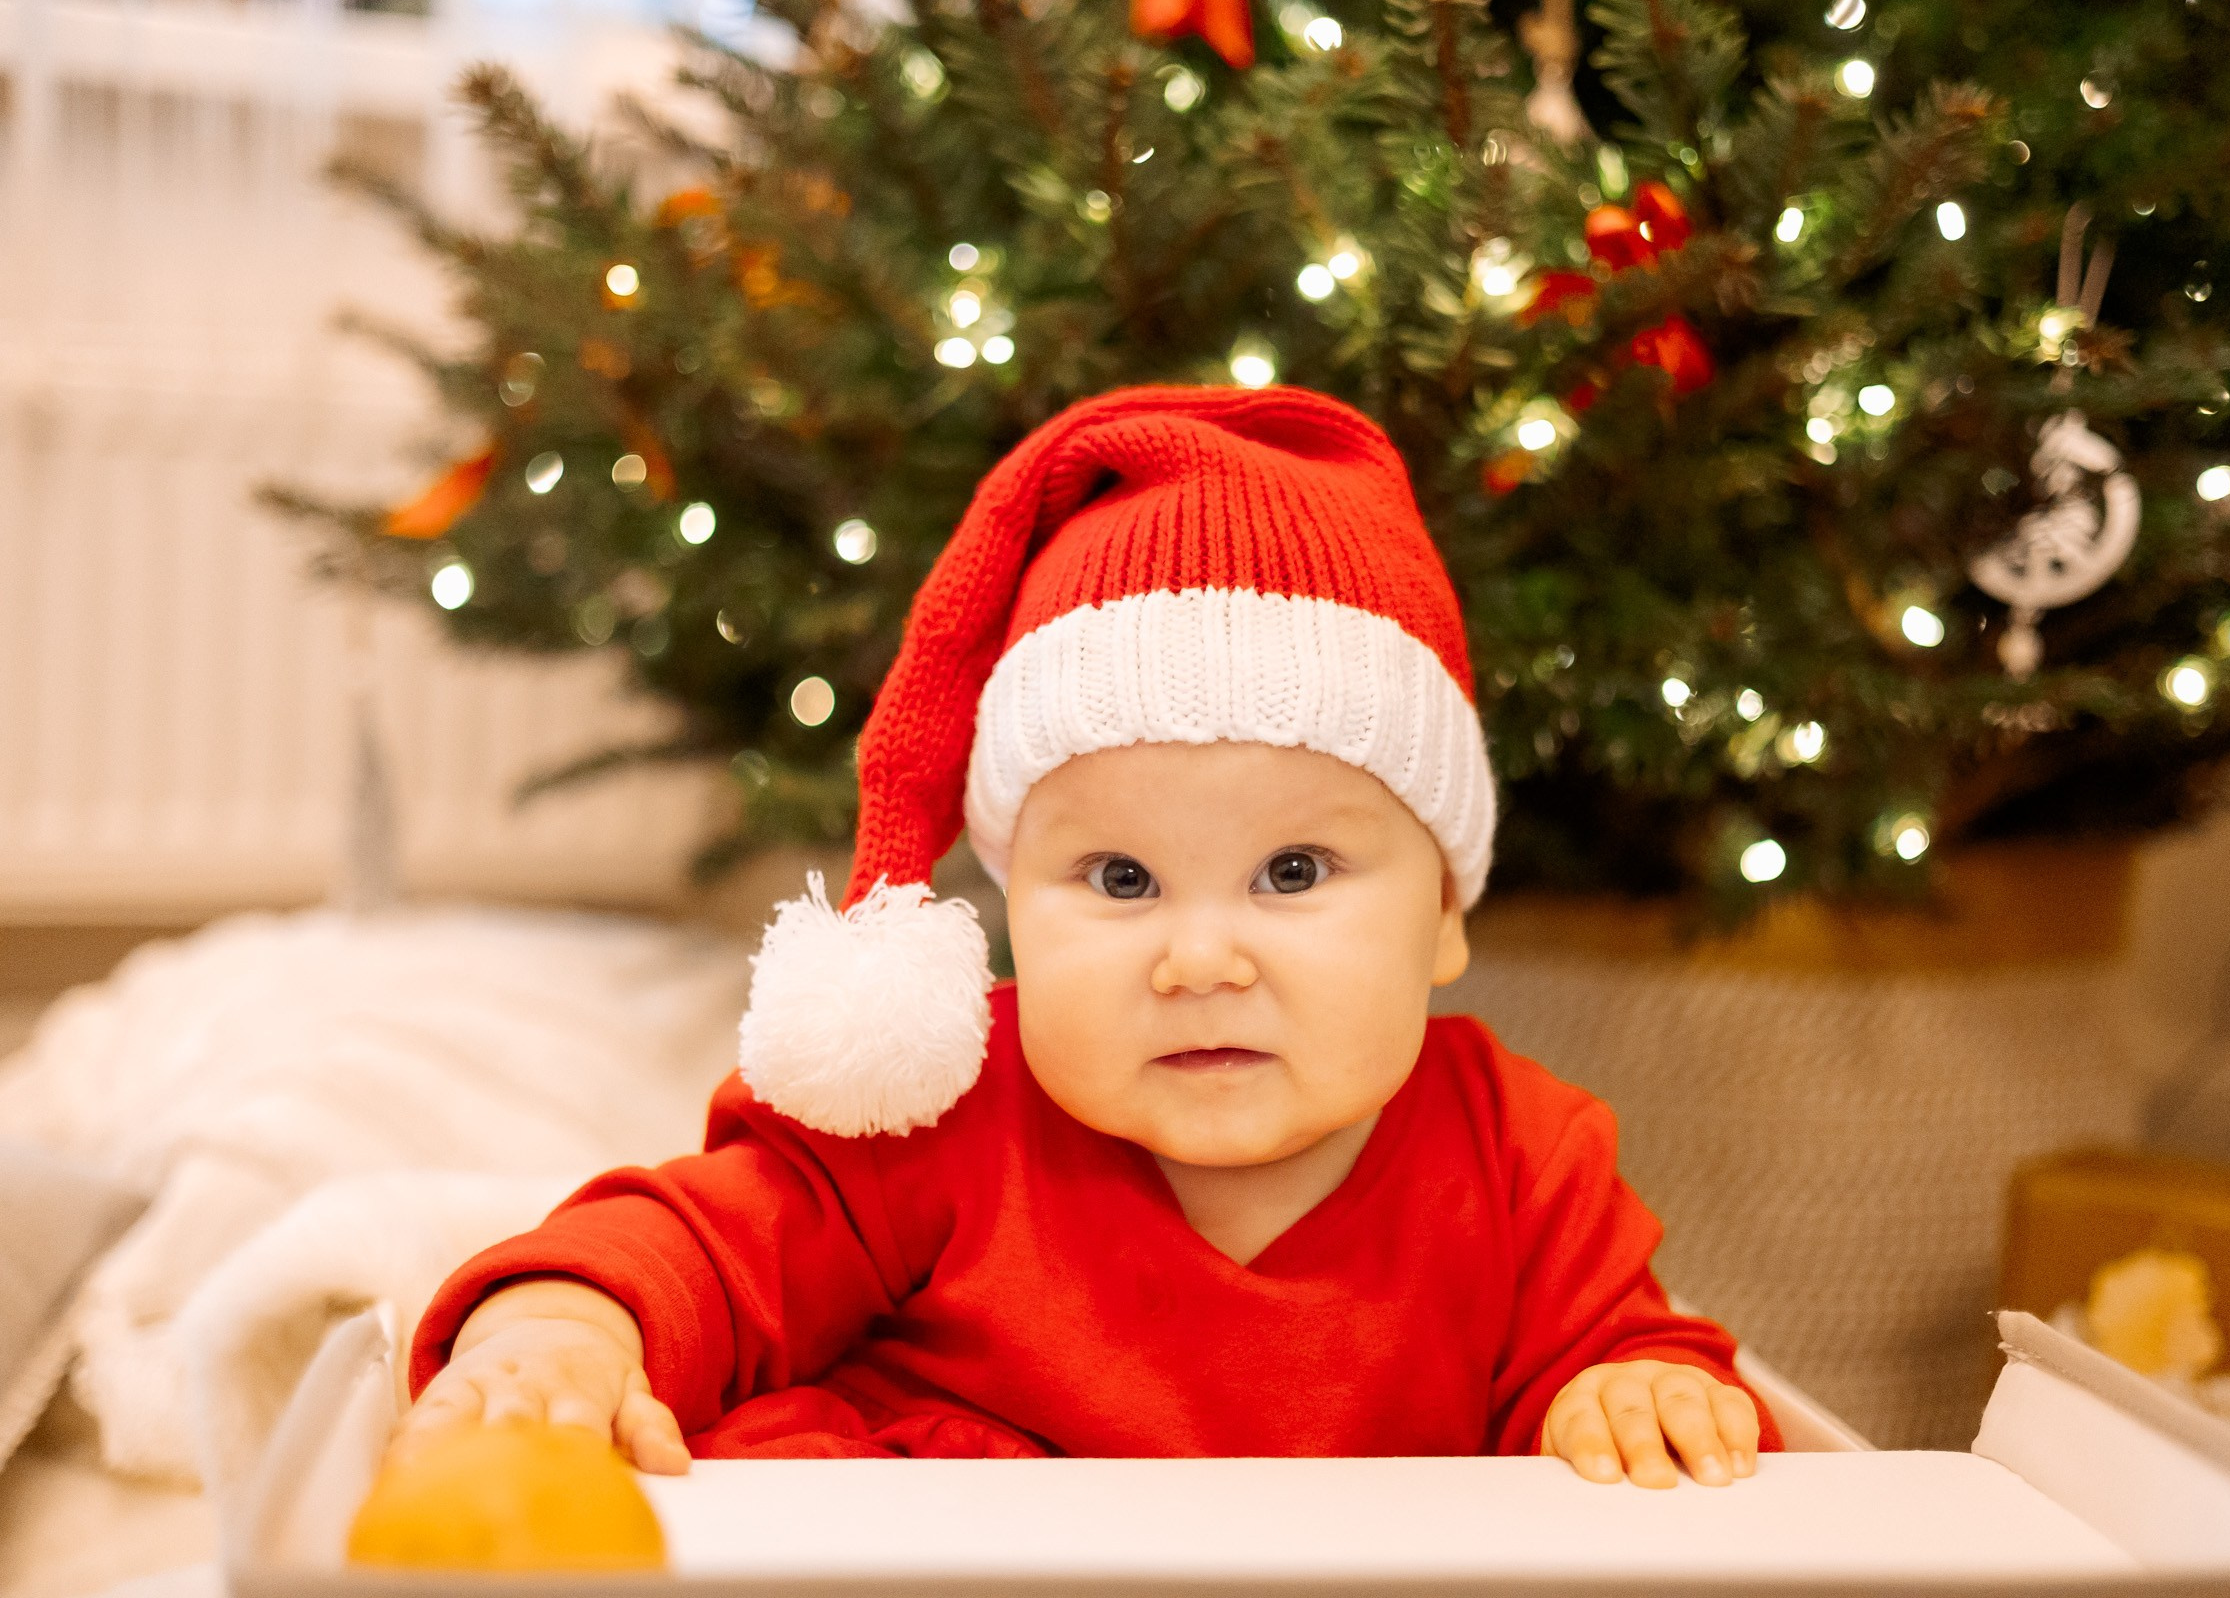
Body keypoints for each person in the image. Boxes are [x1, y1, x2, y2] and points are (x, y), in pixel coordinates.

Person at [403, 385, 1781, 1492]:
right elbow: (697, 1244)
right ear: (1010, 909)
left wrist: (1627, 1392)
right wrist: (568, 1333)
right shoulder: (935, 1117)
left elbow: (1640, 1360)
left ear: (1444, 918)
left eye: (1291, 870)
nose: (1198, 959)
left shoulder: (1526, 1163)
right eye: (1119, 878)